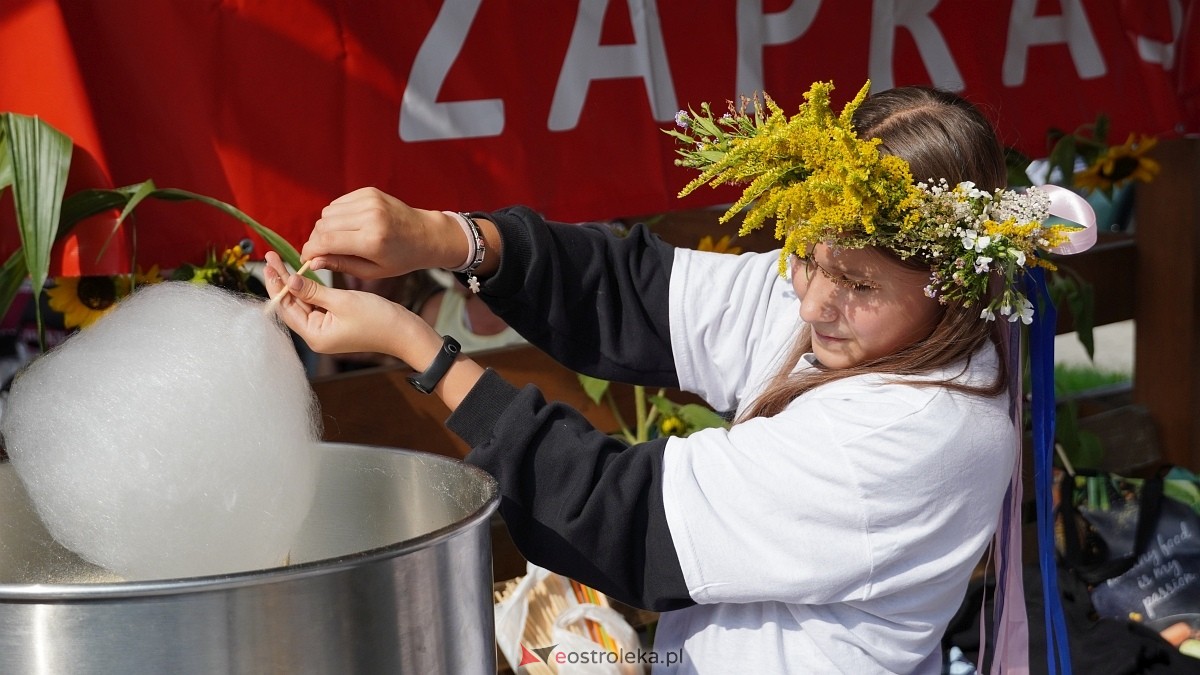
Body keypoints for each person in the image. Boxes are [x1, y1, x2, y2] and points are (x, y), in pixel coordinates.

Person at [263, 81, 1093, 673]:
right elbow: (639, 293)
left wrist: (423, 351)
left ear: (948, 282)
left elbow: (622, 516)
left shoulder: (923, 431)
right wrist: (451, 238)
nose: (810, 299)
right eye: (805, 253)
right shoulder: (839, 292)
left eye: (859, 284)